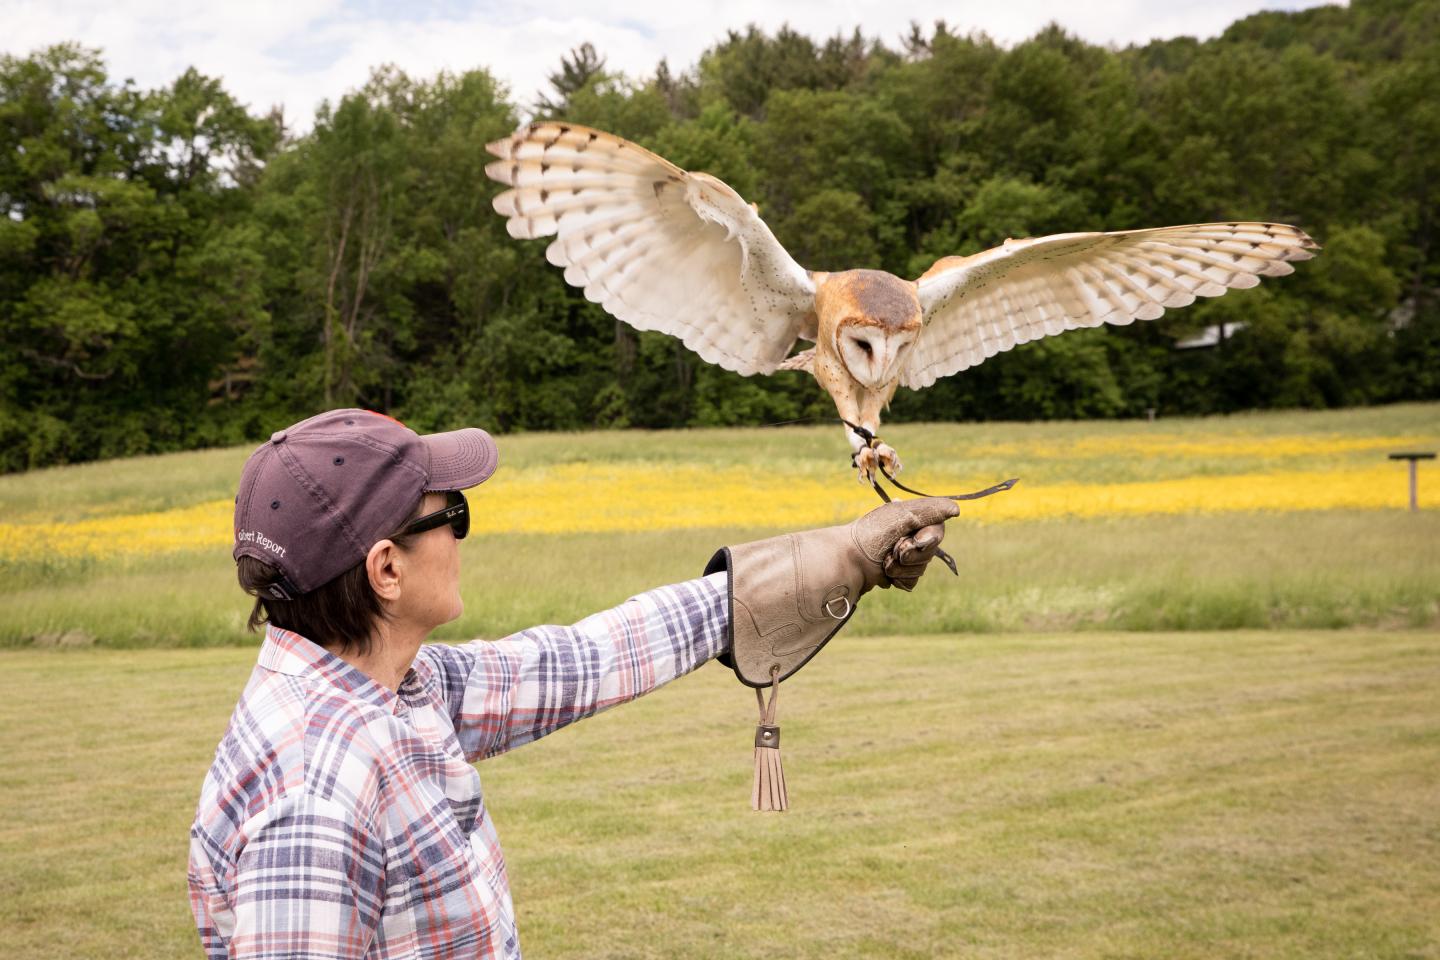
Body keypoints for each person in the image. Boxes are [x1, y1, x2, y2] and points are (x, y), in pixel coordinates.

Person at [188, 408, 957, 959]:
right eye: (450, 513)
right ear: (387, 569)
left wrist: (839, 557)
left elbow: (581, 661)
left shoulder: (391, 685)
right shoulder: (314, 797)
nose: (461, 531)